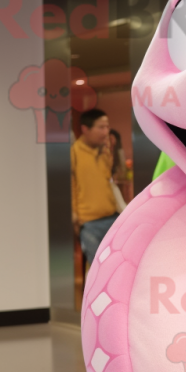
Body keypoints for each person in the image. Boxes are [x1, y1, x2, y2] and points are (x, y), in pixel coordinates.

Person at [71, 108, 119, 264]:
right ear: (85, 129)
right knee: (99, 269)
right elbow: (71, 186)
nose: (106, 132)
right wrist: (74, 217)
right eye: (101, 127)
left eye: (107, 127)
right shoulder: (74, 153)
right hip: (89, 223)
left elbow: (110, 182)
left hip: (112, 218)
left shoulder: (104, 152)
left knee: (117, 264)